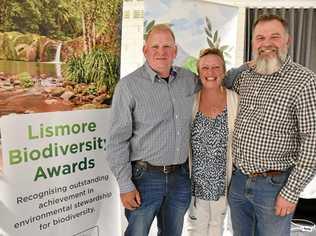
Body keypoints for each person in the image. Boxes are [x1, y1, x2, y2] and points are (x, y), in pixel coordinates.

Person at [224, 14, 316, 236]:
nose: (266, 43)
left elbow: (312, 142)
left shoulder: (304, 81)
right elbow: (220, 82)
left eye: (274, 36)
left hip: (275, 186)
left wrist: (291, 192)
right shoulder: (244, 77)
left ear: (287, 40)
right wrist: (244, 66)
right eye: (260, 38)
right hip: (237, 182)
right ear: (253, 43)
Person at [106, 24, 198, 236]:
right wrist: (125, 185)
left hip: (180, 177)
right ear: (145, 50)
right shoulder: (128, 86)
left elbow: (216, 79)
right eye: (155, 46)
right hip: (144, 178)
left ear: (175, 51)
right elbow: (116, 141)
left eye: (167, 46)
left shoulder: (189, 80)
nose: (161, 51)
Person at [185, 48, 238, 236]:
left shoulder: (235, 100)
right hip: (195, 181)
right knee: (194, 229)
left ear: (223, 71)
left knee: (217, 227)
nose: (210, 73)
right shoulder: (190, 101)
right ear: (199, 73)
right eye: (205, 68)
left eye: (216, 67)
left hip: (222, 181)